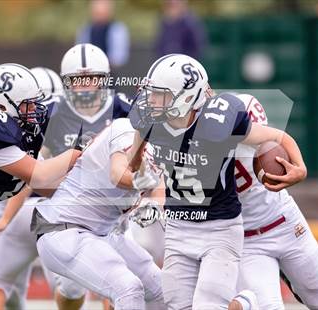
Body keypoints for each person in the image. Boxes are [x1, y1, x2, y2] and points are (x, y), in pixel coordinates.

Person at [128, 53, 307, 309]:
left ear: (187, 97)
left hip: (219, 228)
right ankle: (243, 303)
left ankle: (249, 301)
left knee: (208, 305)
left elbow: (277, 136)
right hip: (178, 228)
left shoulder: (217, 121)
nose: (151, 100)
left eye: (161, 94)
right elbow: (134, 158)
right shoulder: (149, 121)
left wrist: (300, 167)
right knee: (178, 305)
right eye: (152, 92)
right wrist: (140, 172)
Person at [0, 44, 132, 310]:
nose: (86, 86)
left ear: (105, 79)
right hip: (69, 211)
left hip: (114, 211)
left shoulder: (123, 107)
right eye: (78, 80)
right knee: (72, 289)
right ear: (66, 82)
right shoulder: (51, 112)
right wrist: (7, 216)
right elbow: (32, 169)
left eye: (92, 79)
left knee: (124, 280)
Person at [0, 63, 81, 309]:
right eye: (26, 105)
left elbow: (49, 184)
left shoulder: (14, 140)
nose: (34, 111)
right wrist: (81, 151)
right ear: (1, 106)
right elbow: (39, 175)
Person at [33, 118, 166, 310]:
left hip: (103, 232)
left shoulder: (162, 143)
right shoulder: (126, 128)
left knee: (159, 288)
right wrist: (140, 181)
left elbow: (158, 181)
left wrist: (155, 204)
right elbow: (117, 174)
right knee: (128, 288)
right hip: (65, 228)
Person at [234, 94, 318, 310]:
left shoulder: (242, 108)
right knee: (270, 307)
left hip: (285, 222)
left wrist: (300, 168)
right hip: (248, 238)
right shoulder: (192, 143)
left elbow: (279, 137)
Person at [76, 0, 130, 68]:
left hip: (110, 72)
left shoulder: (117, 30)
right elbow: (79, 54)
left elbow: (118, 58)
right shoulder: (86, 30)